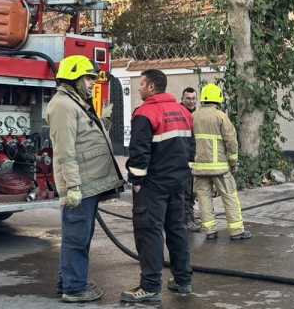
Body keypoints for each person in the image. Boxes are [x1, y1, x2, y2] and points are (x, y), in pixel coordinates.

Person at [46, 55, 124, 303]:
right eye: (88, 78)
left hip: (88, 184)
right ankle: (74, 288)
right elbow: (65, 151)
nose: (92, 83)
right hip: (80, 186)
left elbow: (87, 135)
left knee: (80, 236)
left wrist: (105, 121)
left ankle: (68, 281)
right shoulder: (63, 106)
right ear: (74, 78)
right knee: (77, 238)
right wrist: (73, 187)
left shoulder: (76, 102)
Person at [121, 69, 195, 303]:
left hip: (153, 186)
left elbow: (139, 152)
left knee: (149, 233)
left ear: (151, 87)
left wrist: (137, 182)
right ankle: (183, 281)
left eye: (141, 84)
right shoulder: (183, 111)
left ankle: (151, 287)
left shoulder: (145, 113)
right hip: (178, 183)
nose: (139, 88)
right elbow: (191, 147)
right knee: (177, 230)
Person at [191, 83, 252, 241]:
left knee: (203, 198)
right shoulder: (221, 116)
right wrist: (233, 162)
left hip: (199, 167)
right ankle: (236, 231)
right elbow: (231, 141)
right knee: (229, 197)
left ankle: (209, 231)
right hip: (220, 168)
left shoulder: (193, 116)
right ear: (218, 99)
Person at [180, 87, 201, 232]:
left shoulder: (197, 115)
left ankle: (188, 218)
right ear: (182, 99)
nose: (191, 101)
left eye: (193, 98)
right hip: (183, 160)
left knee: (191, 192)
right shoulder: (180, 114)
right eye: (188, 98)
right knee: (185, 192)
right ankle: (186, 220)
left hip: (194, 160)